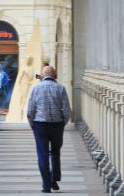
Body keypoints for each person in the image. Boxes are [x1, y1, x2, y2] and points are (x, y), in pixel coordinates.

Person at [26, 65, 71, 193]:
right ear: (54, 75)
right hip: (56, 125)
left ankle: (46, 185)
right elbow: (67, 110)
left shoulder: (36, 88)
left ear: (42, 75)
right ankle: (54, 178)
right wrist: (63, 123)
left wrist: (32, 124)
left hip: (40, 125)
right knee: (55, 152)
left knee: (43, 155)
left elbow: (30, 110)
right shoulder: (61, 88)